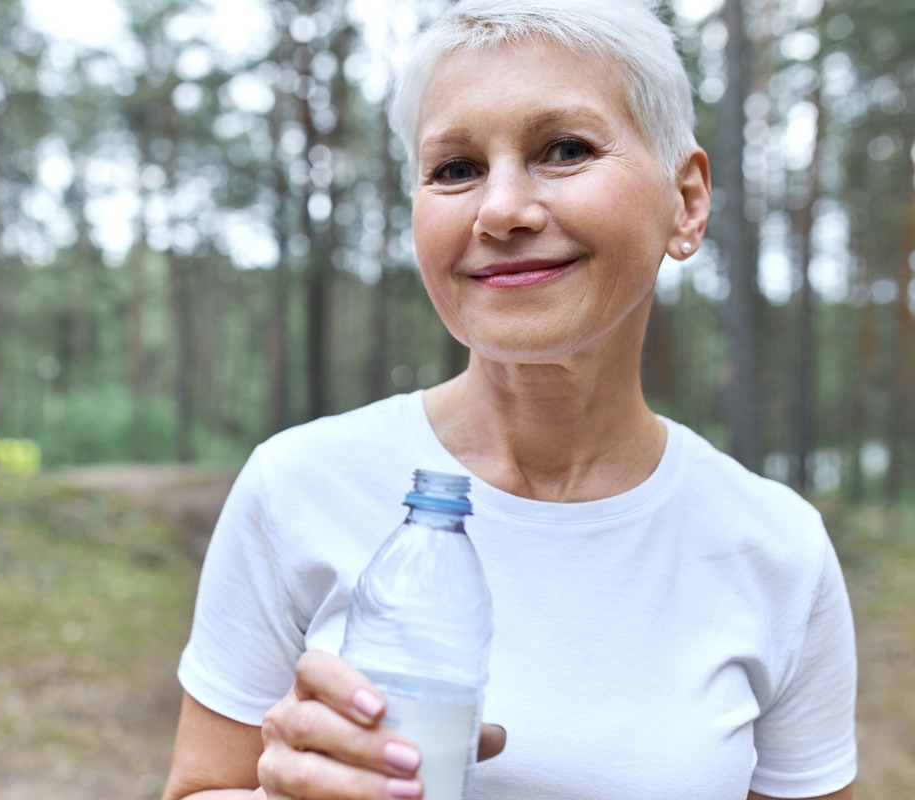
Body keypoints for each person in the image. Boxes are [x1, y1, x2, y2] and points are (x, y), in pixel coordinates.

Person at [161, 0, 858, 797]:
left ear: (686, 200)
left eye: (565, 149)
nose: (500, 210)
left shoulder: (775, 548)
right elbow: (198, 786)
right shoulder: (296, 484)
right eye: (455, 169)